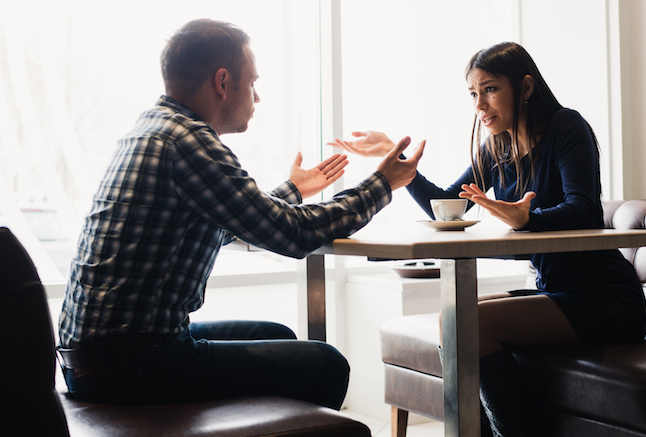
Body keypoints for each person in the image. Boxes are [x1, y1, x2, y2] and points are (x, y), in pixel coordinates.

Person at [56, 19, 424, 408]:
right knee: (326, 364)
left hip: (94, 358)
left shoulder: (153, 128)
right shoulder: (189, 142)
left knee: (279, 335)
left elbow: (229, 221)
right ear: (222, 82)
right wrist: (381, 184)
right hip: (131, 365)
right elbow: (293, 236)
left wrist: (294, 190)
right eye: (252, 83)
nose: (257, 97)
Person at [330, 42, 646, 436]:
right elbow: (448, 207)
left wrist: (528, 217)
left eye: (490, 89)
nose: (480, 105)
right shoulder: (496, 147)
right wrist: (402, 169)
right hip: (557, 292)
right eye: (473, 94)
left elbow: (583, 209)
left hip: (608, 299)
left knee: (469, 324)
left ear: (526, 87)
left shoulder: (567, 126)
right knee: (457, 319)